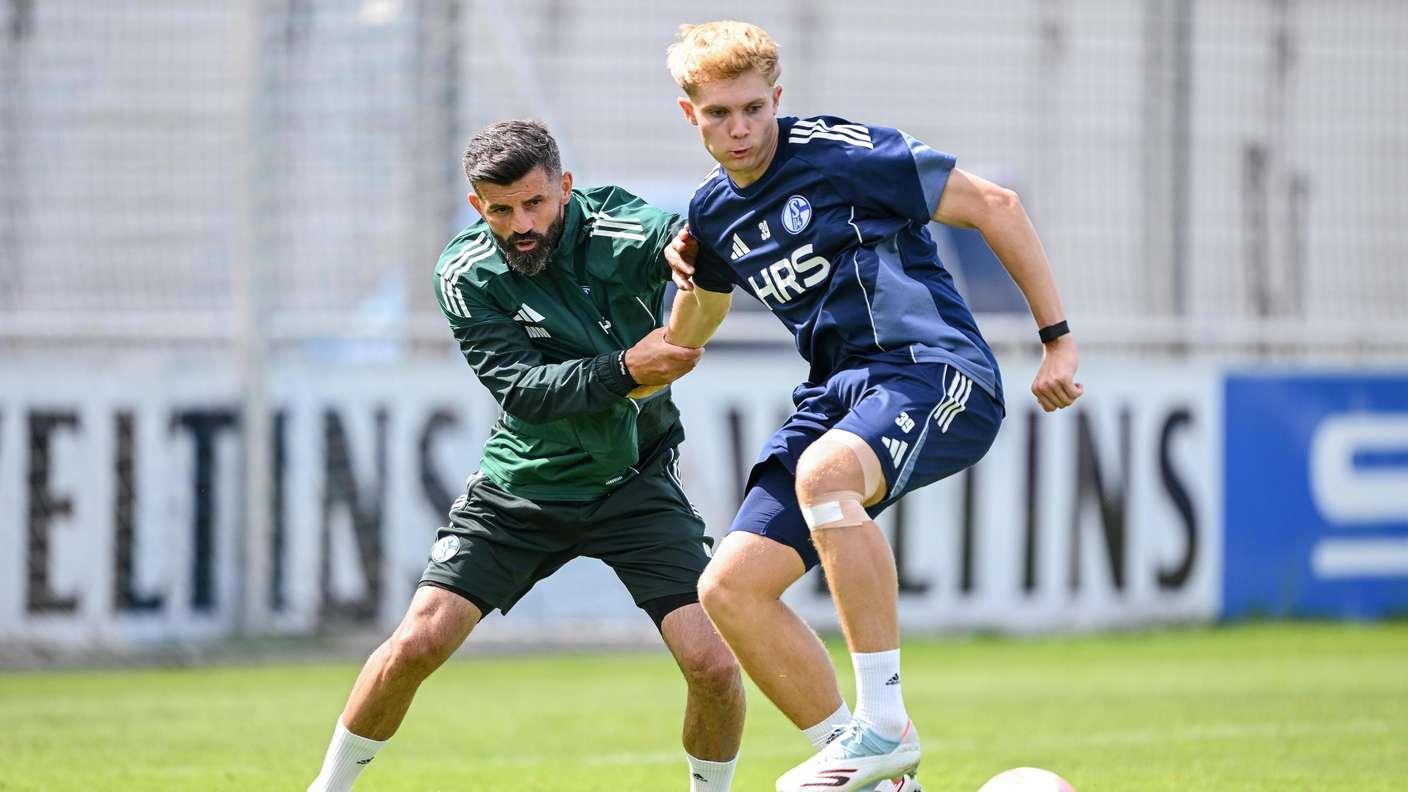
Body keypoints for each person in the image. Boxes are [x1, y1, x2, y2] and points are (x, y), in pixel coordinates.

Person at [660, 21, 1084, 792]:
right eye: (719, 113)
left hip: (933, 369)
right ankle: (884, 777)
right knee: (729, 588)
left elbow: (996, 205)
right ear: (692, 116)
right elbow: (701, 321)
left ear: (777, 99)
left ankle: (884, 724)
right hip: (835, 394)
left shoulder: (836, 150)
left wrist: (1056, 340)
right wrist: (681, 299)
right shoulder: (713, 213)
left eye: (754, 107)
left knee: (826, 477)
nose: (741, 127)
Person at [306, 119, 745, 792]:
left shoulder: (609, 225)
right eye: (501, 209)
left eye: (535, 203)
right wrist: (630, 365)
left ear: (564, 189)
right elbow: (525, 392)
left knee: (713, 665)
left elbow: (671, 240)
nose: (521, 224)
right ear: (477, 204)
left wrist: (686, 254)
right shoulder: (464, 273)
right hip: (523, 487)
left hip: (634, 482)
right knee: (416, 644)